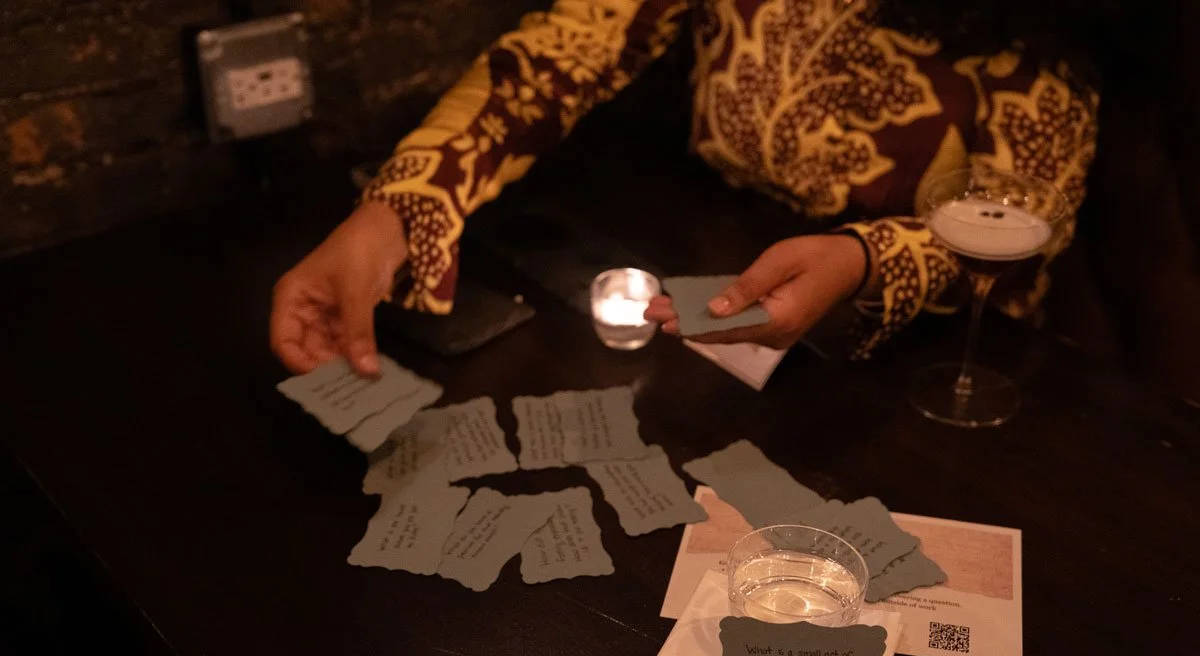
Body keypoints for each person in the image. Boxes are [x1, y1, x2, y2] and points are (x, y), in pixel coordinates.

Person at [270, 0, 1101, 376]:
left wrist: (861, 260)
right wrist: (395, 210)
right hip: (716, 279)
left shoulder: (1038, 25)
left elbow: (1028, 210)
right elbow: (564, 54)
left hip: (944, 356)